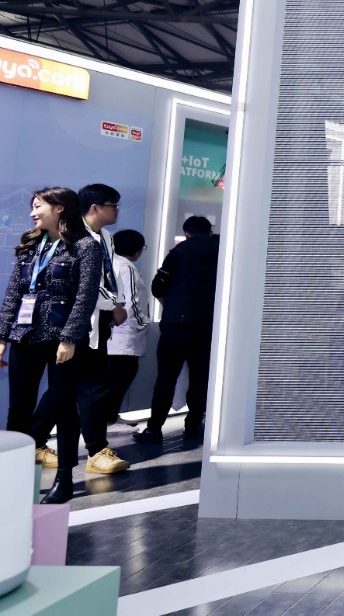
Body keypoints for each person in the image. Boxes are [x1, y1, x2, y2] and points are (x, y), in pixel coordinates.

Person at [0, 187, 104, 503]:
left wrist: (69, 338)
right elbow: (13, 294)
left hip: (62, 339)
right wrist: (3, 336)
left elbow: (85, 297)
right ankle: (13, 478)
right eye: (32, 207)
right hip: (25, 336)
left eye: (38, 206)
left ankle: (64, 479)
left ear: (59, 208)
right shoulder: (31, 245)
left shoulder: (86, 246)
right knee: (18, 410)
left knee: (63, 406)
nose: (33, 213)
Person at [29, 183, 131, 475]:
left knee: (77, 387)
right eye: (113, 205)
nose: (117, 211)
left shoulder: (105, 237)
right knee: (85, 387)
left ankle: (39, 443)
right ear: (95, 207)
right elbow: (83, 287)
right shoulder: (73, 237)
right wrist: (113, 304)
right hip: (73, 325)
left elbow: (108, 276)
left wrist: (116, 303)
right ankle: (94, 451)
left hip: (96, 322)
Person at [135, 216, 220, 445]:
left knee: (166, 378)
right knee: (200, 378)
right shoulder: (221, 252)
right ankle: (193, 425)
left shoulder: (179, 252)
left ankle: (154, 429)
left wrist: (173, 305)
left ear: (186, 233)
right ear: (210, 231)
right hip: (207, 325)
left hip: (176, 325)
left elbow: (158, 286)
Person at [104, 229, 150, 423]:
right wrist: (143, 323)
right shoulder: (126, 268)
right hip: (125, 335)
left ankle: (109, 418)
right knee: (119, 381)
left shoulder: (111, 264)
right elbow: (131, 302)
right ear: (137, 249)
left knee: (112, 382)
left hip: (113, 334)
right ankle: (108, 421)